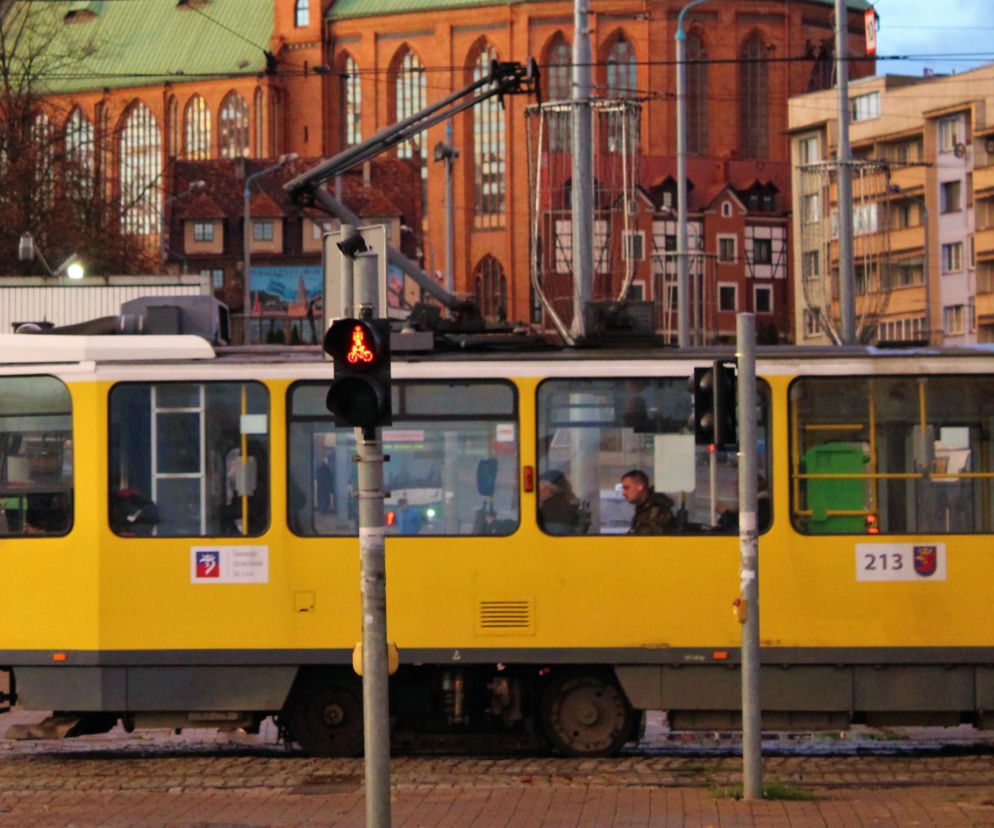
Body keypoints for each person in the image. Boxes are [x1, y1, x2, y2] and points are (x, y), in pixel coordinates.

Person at [620, 469, 674, 534]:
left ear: (640, 486)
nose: (623, 493)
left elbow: (643, 539)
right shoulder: (643, 509)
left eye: (626, 488)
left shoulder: (657, 511)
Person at [538, 470, 583, 534]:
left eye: (541, 485)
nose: (538, 491)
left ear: (550, 489)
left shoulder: (555, 510)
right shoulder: (567, 505)